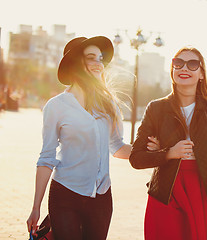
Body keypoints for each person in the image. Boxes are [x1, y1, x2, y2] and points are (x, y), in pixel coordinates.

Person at [26, 36, 158, 240]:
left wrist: (149, 151)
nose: (99, 63)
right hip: (65, 195)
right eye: (91, 58)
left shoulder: (109, 104)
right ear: (76, 64)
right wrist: (36, 207)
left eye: (100, 58)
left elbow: (116, 146)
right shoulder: (56, 106)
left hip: (102, 198)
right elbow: (46, 158)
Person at [129, 46, 207, 240]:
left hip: (202, 192)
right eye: (178, 63)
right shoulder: (156, 108)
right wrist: (169, 153)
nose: (184, 68)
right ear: (172, 71)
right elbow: (136, 158)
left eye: (192, 64)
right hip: (165, 193)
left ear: (201, 74)